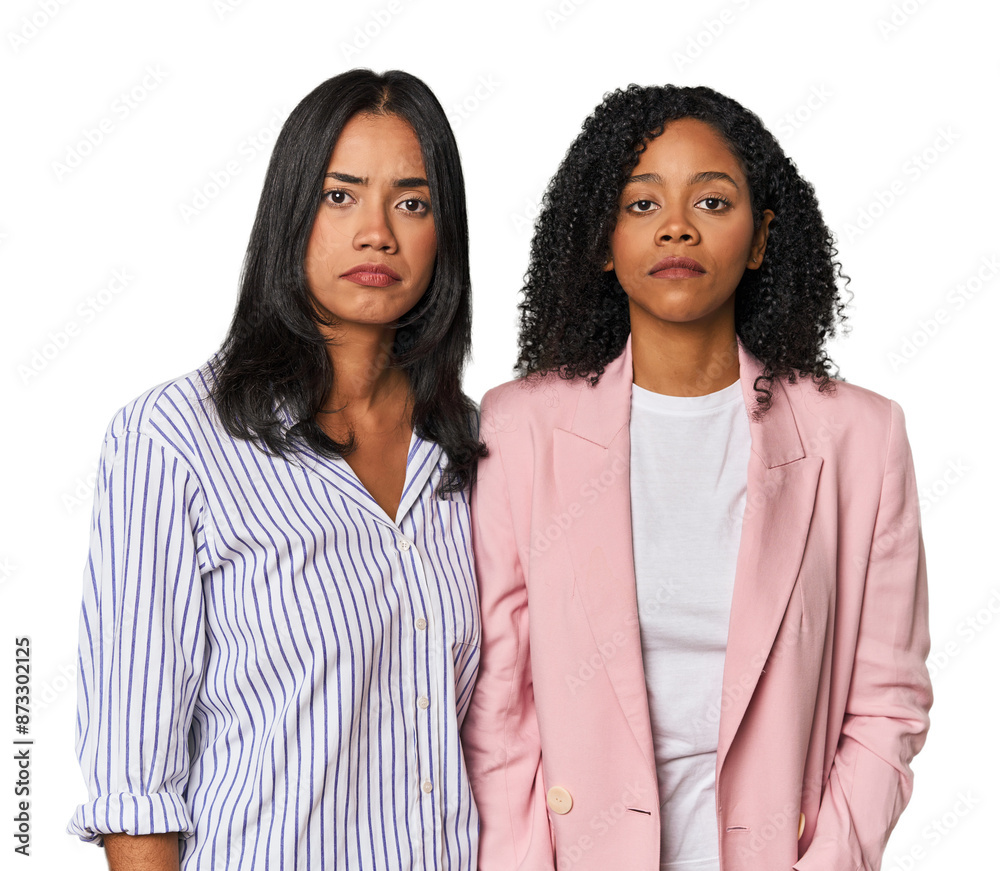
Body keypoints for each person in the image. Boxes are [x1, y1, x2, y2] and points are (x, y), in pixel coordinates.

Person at [462, 84, 932, 871]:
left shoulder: (860, 436)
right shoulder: (520, 428)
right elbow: (498, 705)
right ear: (602, 241)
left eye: (712, 201)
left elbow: (889, 701)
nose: (677, 224)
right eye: (642, 204)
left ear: (759, 240)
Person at [69, 69, 485, 871]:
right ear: (289, 212)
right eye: (340, 195)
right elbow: (133, 781)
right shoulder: (173, 439)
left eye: (412, 201)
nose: (377, 233)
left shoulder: (470, 446)